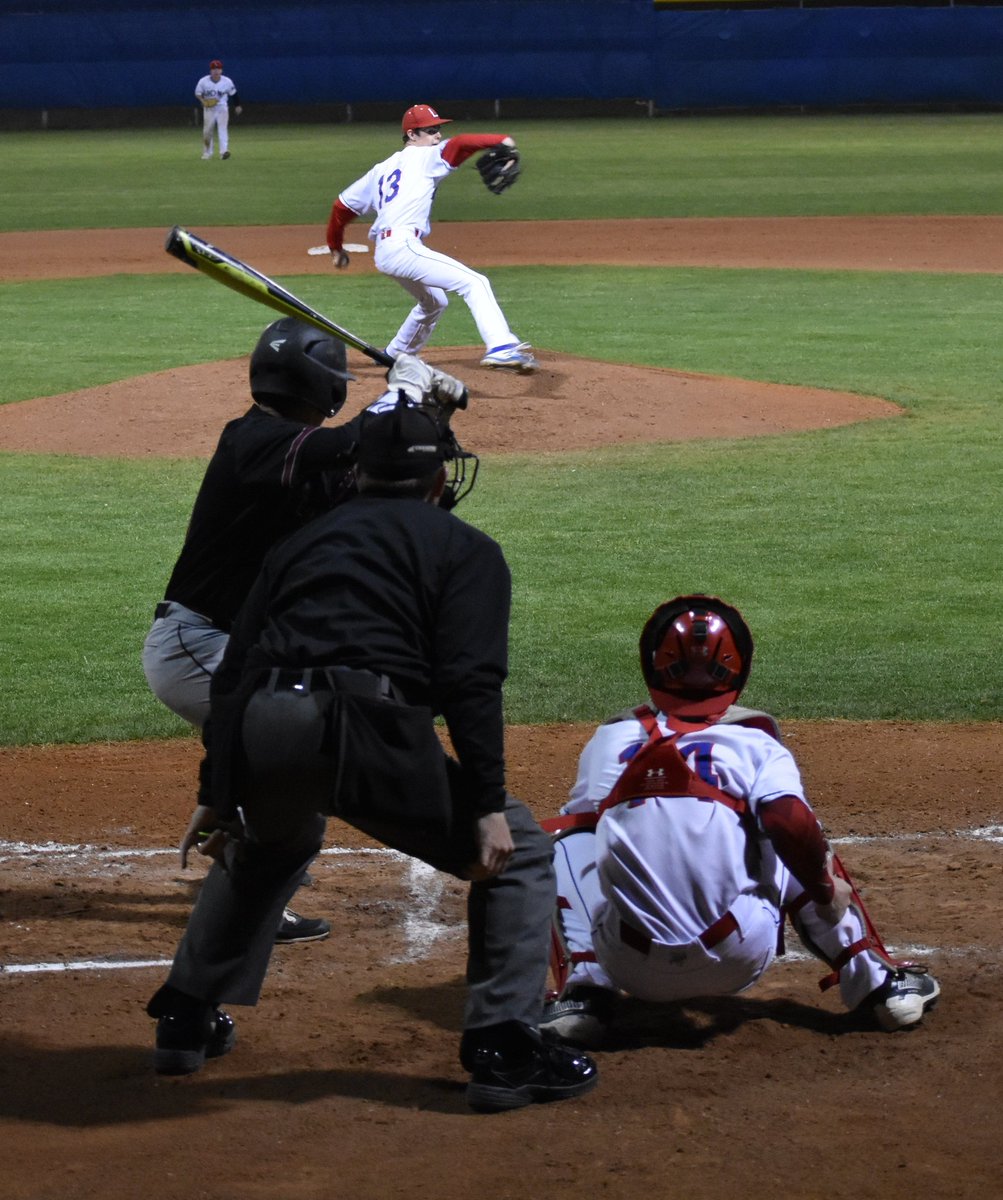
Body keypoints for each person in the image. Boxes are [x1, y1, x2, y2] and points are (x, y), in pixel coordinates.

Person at [144, 397, 599, 1113]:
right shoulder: (465, 549)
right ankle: (503, 1049)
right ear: (436, 480)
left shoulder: (298, 542)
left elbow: (233, 673)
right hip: (359, 725)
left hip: (263, 718)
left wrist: (220, 786)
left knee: (268, 840)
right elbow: (472, 684)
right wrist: (483, 806)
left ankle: (185, 1017)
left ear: (358, 475)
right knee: (524, 855)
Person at [141, 319, 463, 944]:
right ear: (330, 387)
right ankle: (249, 885)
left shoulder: (299, 464)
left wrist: (431, 415)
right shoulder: (254, 439)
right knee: (287, 742)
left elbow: (396, 480)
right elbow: (347, 446)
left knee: (286, 745)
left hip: (233, 647)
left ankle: (248, 840)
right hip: (197, 645)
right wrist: (396, 394)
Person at [539, 595, 941, 1049]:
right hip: (739, 951)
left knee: (567, 839)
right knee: (786, 826)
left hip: (628, 961)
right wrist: (826, 892)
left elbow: (591, 827)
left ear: (652, 662)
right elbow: (789, 823)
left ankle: (585, 994)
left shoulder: (610, 739)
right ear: (738, 666)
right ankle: (878, 985)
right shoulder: (756, 745)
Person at [326, 103, 538, 373]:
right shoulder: (423, 157)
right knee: (475, 282)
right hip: (403, 247)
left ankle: (396, 353)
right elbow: (460, 143)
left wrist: (336, 248)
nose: (437, 136)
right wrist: (502, 141)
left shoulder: (381, 169)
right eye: (430, 131)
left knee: (434, 301)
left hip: (387, 250)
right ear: (411, 136)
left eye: (438, 130)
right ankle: (502, 347)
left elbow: (340, 208)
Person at [194, 59, 242, 160]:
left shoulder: (227, 81)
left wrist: (238, 105)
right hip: (209, 109)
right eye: (214, 69)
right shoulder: (203, 81)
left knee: (222, 129)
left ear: (221, 70)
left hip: (222, 108)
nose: (216, 71)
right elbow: (198, 93)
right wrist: (203, 102)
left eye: (218, 68)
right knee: (207, 131)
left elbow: (234, 94)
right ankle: (207, 153)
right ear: (210, 71)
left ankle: (224, 151)